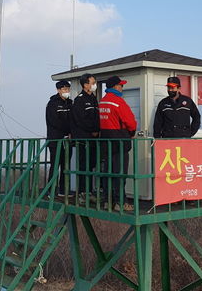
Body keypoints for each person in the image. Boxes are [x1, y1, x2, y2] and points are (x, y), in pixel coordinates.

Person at [98, 75, 137, 210]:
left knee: (108, 172)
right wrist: (132, 133)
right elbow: (130, 122)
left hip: (105, 140)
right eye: (121, 85)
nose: (122, 88)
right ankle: (120, 202)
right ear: (114, 87)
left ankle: (107, 201)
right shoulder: (118, 102)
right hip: (119, 140)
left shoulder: (102, 102)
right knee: (120, 173)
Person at [70, 73, 100, 201]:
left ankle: (89, 191)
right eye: (92, 83)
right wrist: (92, 130)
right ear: (85, 85)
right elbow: (80, 120)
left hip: (94, 138)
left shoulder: (93, 98)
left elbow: (96, 117)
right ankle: (82, 192)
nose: (95, 85)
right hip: (83, 138)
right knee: (84, 165)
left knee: (91, 164)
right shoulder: (79, 100)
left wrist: (97, 130)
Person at [45, 80, 72, 196]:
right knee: (55, 165)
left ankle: (63, 190)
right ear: (58, 90)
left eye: (67, 89)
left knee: (66, 165)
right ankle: (51, 190)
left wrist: (71, 132)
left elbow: (73, 120)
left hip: (68, 140)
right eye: (64, 89)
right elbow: (54, 121)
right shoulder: (52, 103)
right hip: (55, 139)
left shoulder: (70, 103)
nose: (66, 91)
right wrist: (67, 130)